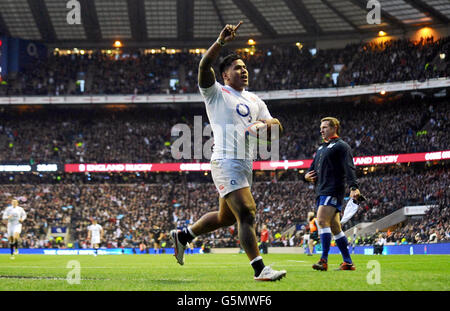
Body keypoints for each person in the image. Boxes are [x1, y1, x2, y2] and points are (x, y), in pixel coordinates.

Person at [170, 21, 286, 281]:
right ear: (225, 75)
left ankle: (183, 235)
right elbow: (202, 66)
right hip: (225, 160)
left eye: (245, 68)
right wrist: (221, 41)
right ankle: (260, 269)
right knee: (247, 211)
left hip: (247, 163)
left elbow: (277, 129)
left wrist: (266, 125)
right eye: (237, 68)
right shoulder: (216, 93)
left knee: (226, 217)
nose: (244, 71)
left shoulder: (255, 100)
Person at [304, 117, 361, 271]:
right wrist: (306, 176)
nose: (321, 130)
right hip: (321, 190)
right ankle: (348, 262)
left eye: (325, 127)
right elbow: (311, 170)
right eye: (321, 128)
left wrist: (354, 187)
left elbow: (349, 167)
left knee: (321, 221)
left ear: (334, 127)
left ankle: (324, 260)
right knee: (335, 227)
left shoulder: (341, 146)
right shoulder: (321, 148)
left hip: (333, 189)